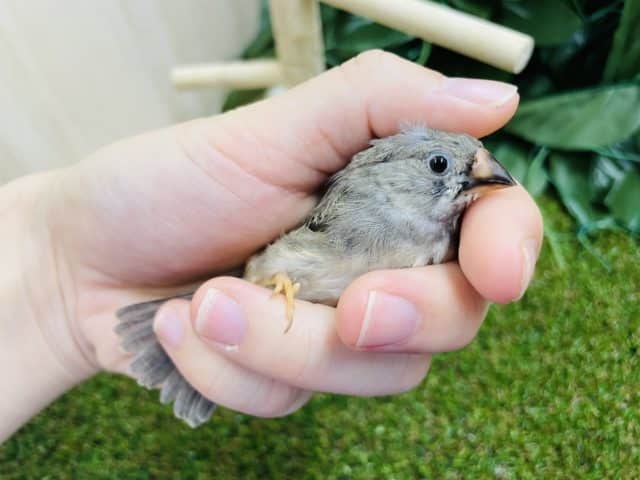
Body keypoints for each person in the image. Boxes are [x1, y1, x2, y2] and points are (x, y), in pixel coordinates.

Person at [0, 51, 542, 442]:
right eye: (440, 165)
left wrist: (58, 281)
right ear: (392, 173)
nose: (471, 174)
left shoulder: (446, 240)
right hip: (261, 278)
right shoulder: (360, 205)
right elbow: (287, 248)